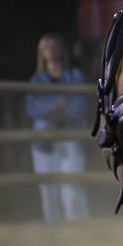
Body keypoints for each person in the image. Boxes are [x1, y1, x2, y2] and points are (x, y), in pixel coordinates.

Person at [26, 34, 90, 224]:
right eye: (45, 48)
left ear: (61, 50)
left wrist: (50, 107)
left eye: (53, 47)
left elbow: (79, 106)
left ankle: (77, 224)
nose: (50, 51)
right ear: (41, 53)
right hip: (45, 139)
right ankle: (52, 226)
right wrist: (58, 105)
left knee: (71, 185)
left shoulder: (75, 75)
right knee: (48, 188)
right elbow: (33, 109)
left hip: (70, 135)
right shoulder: (36, 80)